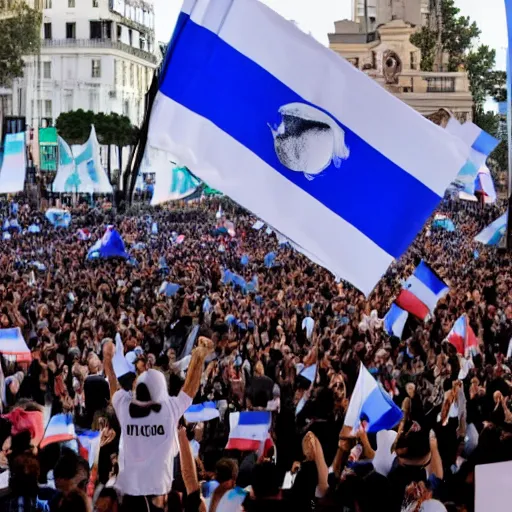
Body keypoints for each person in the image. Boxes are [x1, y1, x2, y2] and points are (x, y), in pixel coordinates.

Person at [103, 336, 214, 512]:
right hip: (160, 492)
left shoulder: (125, 409)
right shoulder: (168, 410)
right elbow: (189, 390)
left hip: (132, 491)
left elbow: (113, 385)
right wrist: (198, 357)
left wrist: (107, 359)